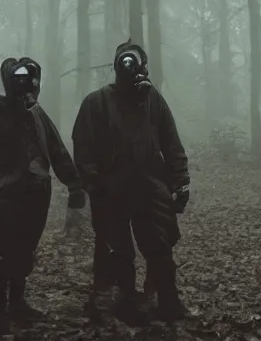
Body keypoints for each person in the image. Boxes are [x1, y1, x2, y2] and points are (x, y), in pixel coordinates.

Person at [71, 42, 190, 322]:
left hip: (149, 185)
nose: (129, 68)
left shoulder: (152, 100)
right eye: (124, 62)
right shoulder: (96, 102)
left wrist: (180, 181)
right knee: (116, 249)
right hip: (111, 189)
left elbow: (171, 142)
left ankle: (166, 301)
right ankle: (124, 301)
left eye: (134, 62)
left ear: (143, 67)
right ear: (115, 67)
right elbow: (83, 146)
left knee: (160, 244)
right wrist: (94, 184)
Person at [0, 57, 85, 320]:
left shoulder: (37, 114)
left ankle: (16, 304)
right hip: (6, 196)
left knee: (25, 249)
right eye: (18, 78)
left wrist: (74, 185)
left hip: (36, 193)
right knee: (4, 249)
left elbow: (57, 149)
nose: (24, 83)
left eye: (29, 78)